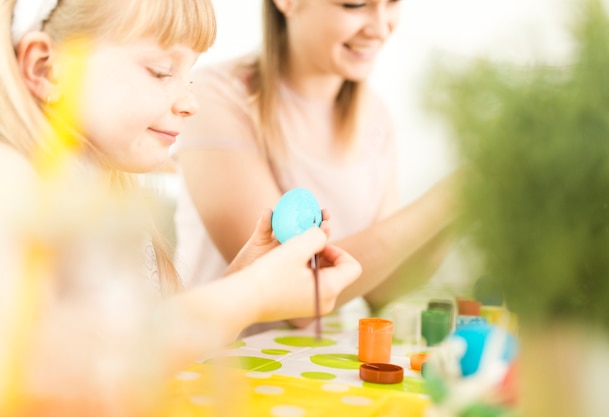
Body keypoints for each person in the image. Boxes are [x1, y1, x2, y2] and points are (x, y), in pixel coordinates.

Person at [0, 0, 361, 409]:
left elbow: (152, 343)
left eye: (189, 77)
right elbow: (78, 369)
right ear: (46, 68)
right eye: (161, 72)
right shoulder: (14, 187)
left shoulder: (103, 192)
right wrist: (253, 293)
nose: (191, 102)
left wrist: (244, 280)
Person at [173, 0, 462, 327]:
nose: (381, 28)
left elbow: (380, 289)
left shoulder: (376, 120)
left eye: (392, 2)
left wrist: (464, 208)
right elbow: (292, 292)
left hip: (316, 368)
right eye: (355, 5)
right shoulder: (212, 98)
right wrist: (449, 196)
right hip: (222, 368)